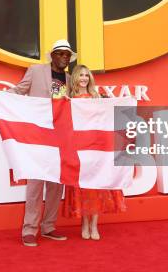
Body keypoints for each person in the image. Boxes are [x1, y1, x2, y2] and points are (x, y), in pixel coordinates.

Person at [7, 39, 76, 247]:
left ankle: (48, 227)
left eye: (67, 55)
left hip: (59, 138)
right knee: (35, 185)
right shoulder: (36, 72)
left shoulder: (69, 79)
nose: (64, 57)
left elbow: (73, 106)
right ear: (52, 56)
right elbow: (19, 91)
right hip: (38, 138)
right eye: (60, 54)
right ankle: (29, 229)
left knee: (56, 185)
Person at [62, 65, 127, 240]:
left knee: (97, 187)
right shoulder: (70, 99)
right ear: (75, 78)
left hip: (96, 148)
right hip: (79, 149)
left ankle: (94, 226)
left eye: (86, 75)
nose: (84, 78)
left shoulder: (98, 97)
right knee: (82, 187)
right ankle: (84, 224)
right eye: (81, 75)